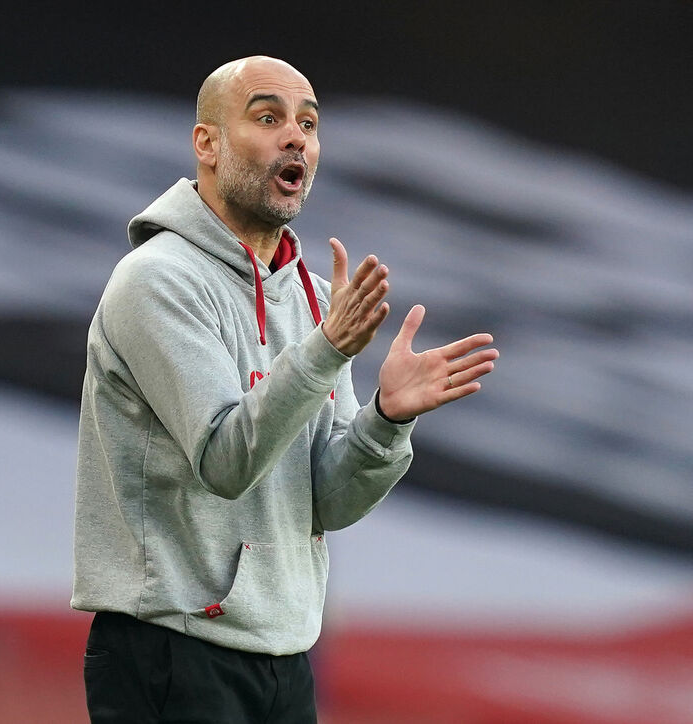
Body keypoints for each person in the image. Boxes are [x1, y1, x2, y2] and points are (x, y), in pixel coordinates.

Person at [71, 55, 498, 723]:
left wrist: (385, 422)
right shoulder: (156, 281)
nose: (296, 137)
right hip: (173, 649)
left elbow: (328, 500)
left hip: (286, 657)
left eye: (308, 123)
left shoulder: (314, 300)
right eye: (268, 118)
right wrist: (324, 352)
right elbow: (224, 459)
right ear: (206, 144)